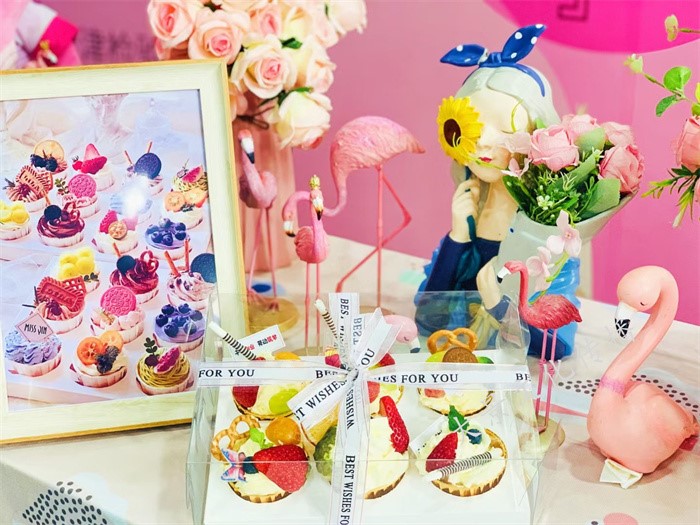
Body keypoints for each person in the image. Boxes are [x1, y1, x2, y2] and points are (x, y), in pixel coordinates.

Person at [416, 25, 560, 343]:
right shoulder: (470, 212)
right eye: (474, 128)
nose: (484, 143)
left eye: (506, 129)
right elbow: (428, 319)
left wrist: (497, 305)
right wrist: (457, 239)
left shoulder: (546, 234)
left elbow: (554, 346)